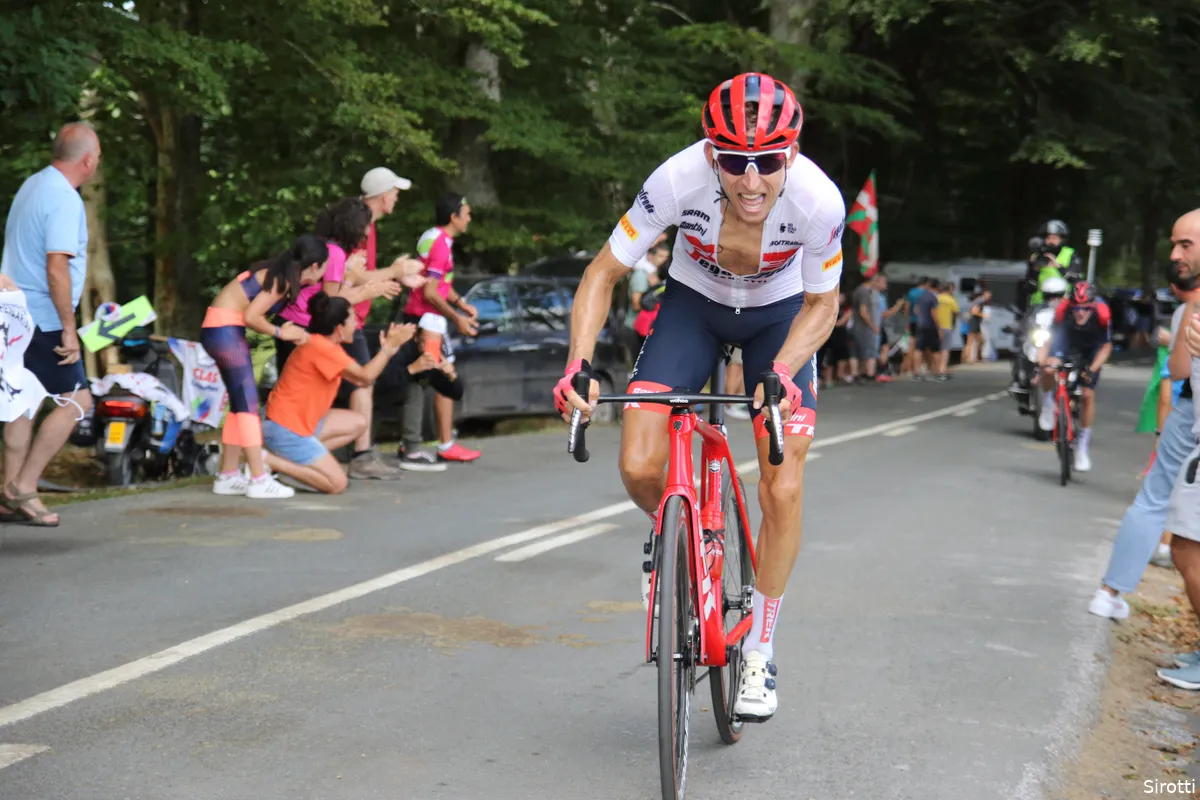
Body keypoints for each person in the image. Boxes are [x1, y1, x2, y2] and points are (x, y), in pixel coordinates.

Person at [554, 72, 845, 722]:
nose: (750, 179)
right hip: (694, 306)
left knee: (784, 485)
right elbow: (603, 273)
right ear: (711, 152)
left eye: (767, 161)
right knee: (636, 462)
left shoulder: (820, 203)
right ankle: (680, 535)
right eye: (734, 160)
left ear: (790, 154)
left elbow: (824, 304)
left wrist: (786, 369)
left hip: (781, 319)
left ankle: (762, 648)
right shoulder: (675, 181)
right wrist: (577, 364)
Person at [1088, 242, 1200, 621]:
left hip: (1187, 414)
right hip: (1188, 416)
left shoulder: (1189, 309)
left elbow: (1179, 373)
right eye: (1171, 244)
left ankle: (1110, 590)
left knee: (1154, 501)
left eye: (1185, 244)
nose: (1174, 253)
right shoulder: (1187, 309)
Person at [0, 123, 101, 527]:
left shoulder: (33, 185)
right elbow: (56, 266)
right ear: (88, 160)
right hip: (43, 318)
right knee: (77, 401)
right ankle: (23, 485)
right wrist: (68, 328)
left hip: (12, 316)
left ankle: (8, 496)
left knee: (22, 404)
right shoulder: (63, 199)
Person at [277, 197, 406, 480]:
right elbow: (332, 305)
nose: (367, 233)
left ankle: (297, 455)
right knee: (358, 380)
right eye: (365, 227)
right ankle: (297, 457)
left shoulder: (332, 251)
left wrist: (360, 283)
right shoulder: (334, 254)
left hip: (300, 325)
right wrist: (370, 290)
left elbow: (334, 295)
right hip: (305, 328)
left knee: (311, 391)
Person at [203, 235, 328, 499]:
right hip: (225, 330)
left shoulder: (279, 272)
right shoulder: (280, 278)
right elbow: (251, 316)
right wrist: (282, 333)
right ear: (315, 266)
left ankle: (227, 475)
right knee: (248, 404)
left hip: (220, 328)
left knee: (240, 405)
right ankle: (259, 478)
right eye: (324, 268)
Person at [263, 293, 415, 494]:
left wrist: (389, 350)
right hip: (287, 429)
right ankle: (267, 460)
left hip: (295, 422)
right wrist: (388, 348)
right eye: (353, 319)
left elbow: (362, 379)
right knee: (337, 484)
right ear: (339, 328)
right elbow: (365, 378)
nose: (357, 323)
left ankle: (293, 465)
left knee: (358, 423)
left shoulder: (322, 344)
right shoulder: (323, 349)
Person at [399, 192, 481, 470]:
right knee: (440, 373)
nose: (469, 218)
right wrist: (457, 318)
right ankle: (443, 443)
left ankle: (417, 441)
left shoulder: (432, 236)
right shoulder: (442, 246)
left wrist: (460, 303)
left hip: (422, 316)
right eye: (466, 213)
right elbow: (432, 292)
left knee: (427, 375)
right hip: (429, 320)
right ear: (453, 216)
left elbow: (439, 282)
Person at [1037, 281, 1112, 472]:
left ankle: (1082, 446)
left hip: (1092, 349)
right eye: (1077, 308)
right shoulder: (1063, 312)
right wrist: (1043, 361)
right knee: (1049, 368)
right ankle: (1047, 403)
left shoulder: (1102, 314)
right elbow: (1049, 340)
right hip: (1068, 342)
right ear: (1071, 305)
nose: (1080, 313)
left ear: (1093, 306)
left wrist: (1093, 369)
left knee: (1087, 395)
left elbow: (1106, 346)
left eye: (1085, 309)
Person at [849, 272, 883, 381]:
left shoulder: (858, 291)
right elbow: (863, 312)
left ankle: (857, 373)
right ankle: (868, 373)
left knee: (856, 351)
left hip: (857, 326)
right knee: (868, 351)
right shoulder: (864, 292)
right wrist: (873, 326)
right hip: (863, 327)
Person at [911, 279, 941, 379]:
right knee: (935, 349)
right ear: (937, 287)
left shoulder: (922, 296)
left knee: (919, 348)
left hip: (920, 324)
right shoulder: (933, 297)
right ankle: (937, 372)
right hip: (930, 325)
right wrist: (939, 327)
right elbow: (934, 314)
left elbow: (916, 310)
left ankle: (916, 372)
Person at [932, 282, 960, 380]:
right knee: (945, 349)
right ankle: (942, 368)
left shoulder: (936, 298)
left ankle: (935, 368)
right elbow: (956, 312)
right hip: (947, 326)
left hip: (935, 326)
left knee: (936, 349)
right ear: (949, 290)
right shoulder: (950, 300)